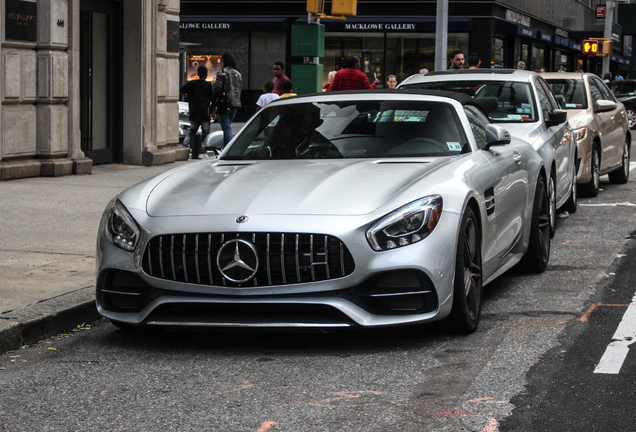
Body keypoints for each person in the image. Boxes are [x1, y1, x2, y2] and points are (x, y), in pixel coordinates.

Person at [179, 65, 214, 159]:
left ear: (197, 74)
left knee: (192, 129)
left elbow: (181, 90)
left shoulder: (191, 84)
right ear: (206, 75)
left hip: (194, 110)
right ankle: (202, 150)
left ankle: (185, 144)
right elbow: (212, 98)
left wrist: (186, 95)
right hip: (204, 112)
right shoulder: (208, 85)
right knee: (205, 132)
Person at [211, 53, 242, 146]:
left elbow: (217, 88)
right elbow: (240, 89)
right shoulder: (238, 74)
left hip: (224, 104)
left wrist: (213, 84)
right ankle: (225, 148)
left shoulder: (222, 73)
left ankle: (229, 148)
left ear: (223, 61)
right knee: (227, 127)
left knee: (226, 128)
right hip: (235, 103)